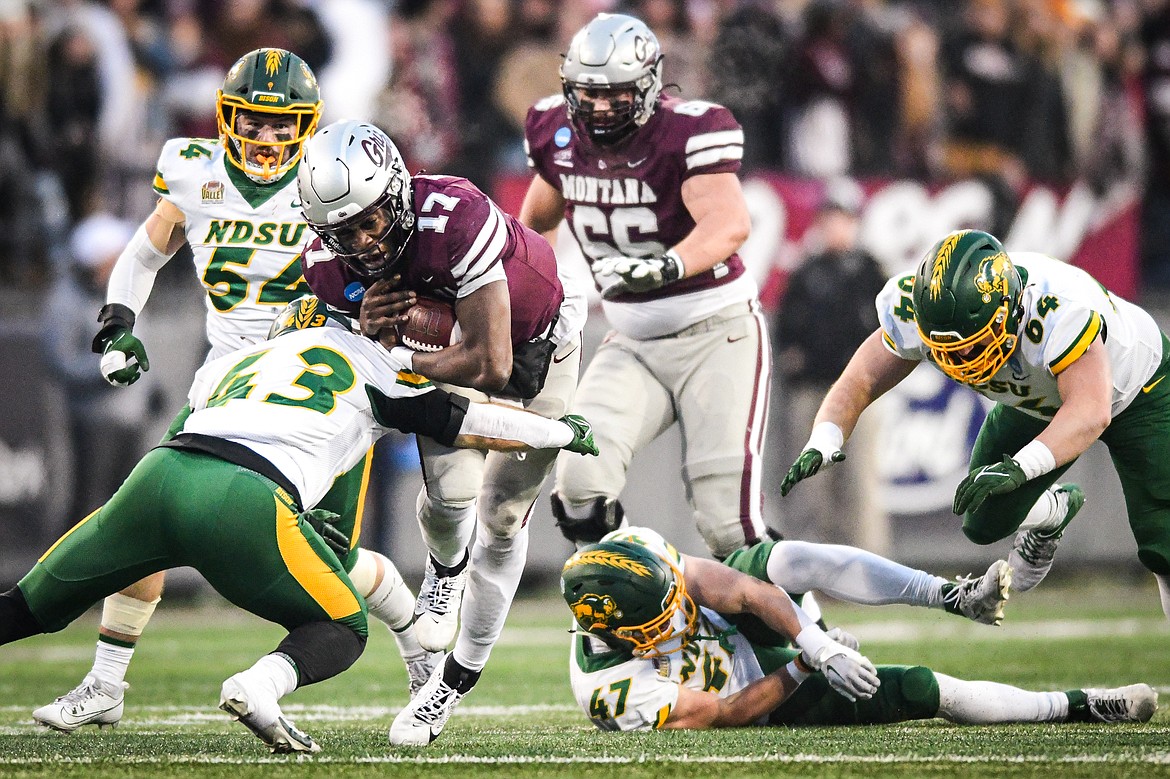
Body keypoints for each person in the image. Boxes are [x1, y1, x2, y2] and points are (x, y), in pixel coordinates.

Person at [2, 296, 598, 754]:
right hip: (246, 494)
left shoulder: (238, 360)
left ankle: (104, 685)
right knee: (341, 624)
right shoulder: (379, 367)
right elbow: (474, 423)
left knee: (25, 608)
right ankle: (260, 685)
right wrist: (561, 431)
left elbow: (187, 426)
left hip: (157, 476)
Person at [34, 48, 428, 733]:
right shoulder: (195, 171)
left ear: (308, 127)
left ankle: (416, 635)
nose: (270, 138)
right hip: (224, 384)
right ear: (226, 116)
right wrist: (118, 321)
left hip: (317, 389)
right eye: (255, 121)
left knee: (328, 560)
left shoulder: (328, 178)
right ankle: (104, 681)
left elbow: (384, 259)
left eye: (285, 127)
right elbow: (146, 249)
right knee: (145, 526)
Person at [298, 119, 588, 745]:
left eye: (370, 220)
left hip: (539, 348)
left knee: (505, 515)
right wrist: (362, 332)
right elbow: (347, 361)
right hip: (445, 357)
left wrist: (399, 356)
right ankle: (444, 572)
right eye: (343, 231)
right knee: (451, 498)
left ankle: (452, 682)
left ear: (397, 192)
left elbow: (493, 363)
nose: (363, 242)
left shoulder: (454, 216)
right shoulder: (325, 266)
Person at [780, 228, 1170, 617]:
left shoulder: (1057, 309)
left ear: (1008, 310)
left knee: (1162, 541)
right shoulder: (916, 309)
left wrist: (1022, 468)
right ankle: (1053, 512)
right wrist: (825, 436)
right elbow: (861, 379)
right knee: (983, 520)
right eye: (947, 348)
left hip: (1140, 388)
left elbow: (1090, 412)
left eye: (973, 342)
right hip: (1036, 399)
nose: (963, 358)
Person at [519, 12, 771, 559]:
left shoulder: (689, 132)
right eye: (589, 94)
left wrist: (667, 267)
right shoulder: (555, 132)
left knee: (727, 522)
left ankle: (804, 632)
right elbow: (535, 222)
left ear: (651, 84)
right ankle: (640, 603)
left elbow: (730, 225)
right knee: (579, 492)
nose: (601, 108)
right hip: (632, 341)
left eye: (617, 94)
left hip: (716, 331)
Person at [562, 527, 1157, 731]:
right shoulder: (614, 692)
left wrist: (814, 641)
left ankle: (951, 595)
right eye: (667, 611)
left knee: (786, 558)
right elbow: (728, 714)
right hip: (758, 689)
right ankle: (1076, 706)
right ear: (630, 637)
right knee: (921, 689)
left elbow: (741, 591)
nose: (680, 605)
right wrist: (800, 667)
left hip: (751, 629)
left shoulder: (631, 554)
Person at [772, 179, 888, 551]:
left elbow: (893, 331)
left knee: (860, 485)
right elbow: (785, 329)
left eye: (843, 217)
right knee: (810, 486)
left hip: (861, 392)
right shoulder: (806, 272)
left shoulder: (871, 271)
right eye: (830, 217)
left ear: (855, 222)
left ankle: (870, 568)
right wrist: (794, 357)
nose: (836, 225)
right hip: (813, 391)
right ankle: (809, 568)